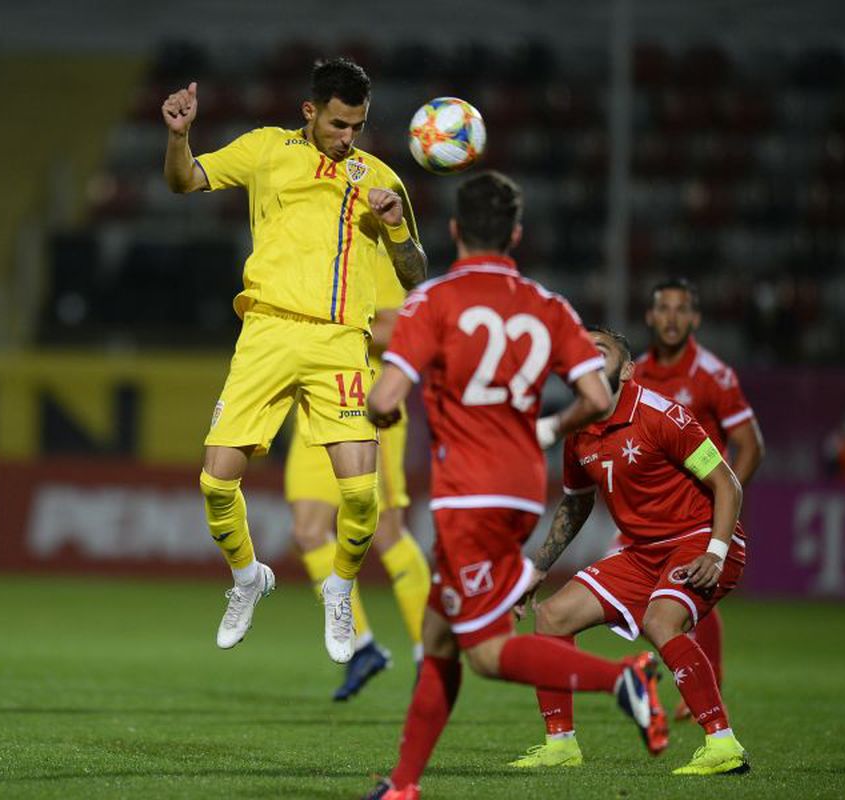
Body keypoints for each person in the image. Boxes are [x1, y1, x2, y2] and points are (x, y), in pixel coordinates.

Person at [361, 172, 666, 800]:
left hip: (468, 494)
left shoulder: (434, 301)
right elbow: (593, 394)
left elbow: (385, 398)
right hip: (523, 489)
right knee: (440, 633)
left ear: (452, 230)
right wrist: (548, 428)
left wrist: (384, 409)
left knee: (487, 651)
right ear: (517, 234)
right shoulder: (549, 306)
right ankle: (403, 787)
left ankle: (623, 679)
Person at [161, 57, 427, 663]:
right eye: (337, 124)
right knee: (214, 480)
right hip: (267, 333)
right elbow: (184, 182)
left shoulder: (380, 178)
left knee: (361, 498)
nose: (346, 137)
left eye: (356, 126)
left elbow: (415, 274)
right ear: (310, 112)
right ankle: (248, 577)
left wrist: (396, 230)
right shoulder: (265, 149)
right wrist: (179, 138)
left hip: (339, 342)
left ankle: (340, 588)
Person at [512, 326, 750, 776]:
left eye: (599, 351)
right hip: (643, 553)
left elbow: (727, 483)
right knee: (552, 617)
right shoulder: (578, 431)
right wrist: (539, 567)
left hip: (700, 539)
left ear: (626, 370)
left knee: (661, 620)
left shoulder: (662, 416)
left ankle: (724, 744)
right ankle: (560, 744)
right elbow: (577, 501)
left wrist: (716, 552)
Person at [284, 255, 431, 700]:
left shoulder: (380, 258)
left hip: (369, 405)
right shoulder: (316, 250)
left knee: (386, 533)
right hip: (316, 404)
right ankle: (363, 646)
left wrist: (330, 323)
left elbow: (397, 332)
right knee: (308, 531)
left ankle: (431, 653)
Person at [632, 277, 764, 720]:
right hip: (652, 514)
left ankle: (698, 678)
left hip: (693, 514)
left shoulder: (712, 375)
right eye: (663, 308)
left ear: (695, 319)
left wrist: (722, 500)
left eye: (680, 309)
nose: (672, 318)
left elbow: (750, 444)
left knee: (690, 589)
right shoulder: (637, 374)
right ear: (650, 317)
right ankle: (657, 673)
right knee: (634, 592)